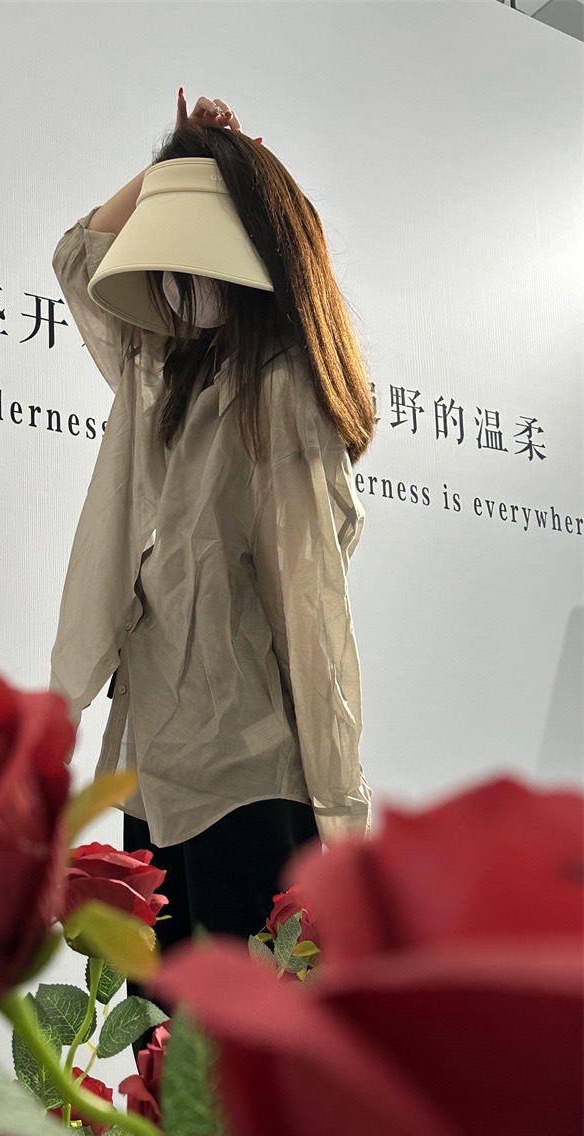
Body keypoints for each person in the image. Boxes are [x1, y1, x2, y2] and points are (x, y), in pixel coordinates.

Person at [49, 91, 375, 981]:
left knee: (241, 1032)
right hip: (155, 765)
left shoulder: (280, 389)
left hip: (248, 771)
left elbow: (311, 611)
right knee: (165, 1029)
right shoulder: (161, 372)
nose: (175, 277)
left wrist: (340, 807)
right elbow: (79, 255)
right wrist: (178, 163)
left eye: (192, 248)